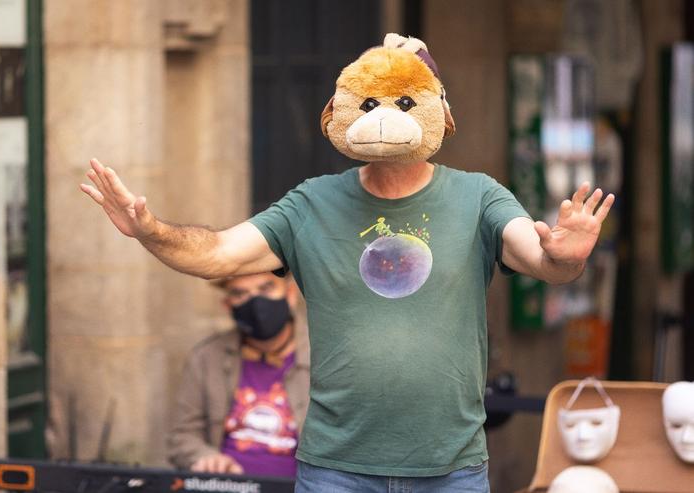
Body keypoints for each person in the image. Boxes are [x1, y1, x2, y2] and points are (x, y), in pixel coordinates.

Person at [81, 34, 615, 492]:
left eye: (403, 103)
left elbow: (539, 260)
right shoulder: (310, 204)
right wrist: (150, 231)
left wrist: (562, 257)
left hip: (451, 469)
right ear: (338, 113)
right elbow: (218, 253)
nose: (383, 118)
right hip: (336, 470)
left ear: (438, 113)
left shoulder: (479, 196)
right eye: (368, 103)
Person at [166, 272, 309, 478]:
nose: (256, 302)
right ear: (227, 305)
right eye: (240, 293)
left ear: (290, 294)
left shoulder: (326, 355)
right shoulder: (206, 357)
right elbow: (182, 435)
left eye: (266, 288)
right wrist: (204, 458)